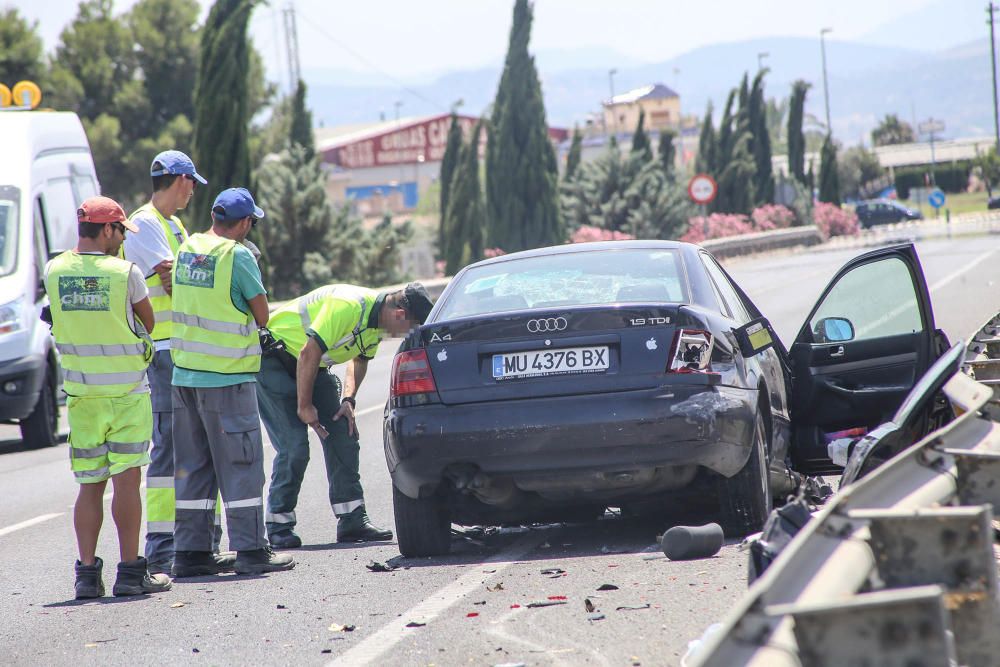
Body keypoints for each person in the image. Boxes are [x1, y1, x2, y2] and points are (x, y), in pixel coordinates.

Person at [44, 196, 172, 598]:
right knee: (127, 481)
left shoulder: (54, 270)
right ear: (106, 230)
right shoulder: (125, 273)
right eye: (121, 232)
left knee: (89, 485)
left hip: (81, 397)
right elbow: (148, 322)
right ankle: (132, 573)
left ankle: (85, 575)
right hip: (127, 394)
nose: (123, 240)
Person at [169, 187, 294, 576]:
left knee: (194, 466)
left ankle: (192, 554)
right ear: (242, 223)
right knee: (241, 464)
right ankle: (251, 550)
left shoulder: (188, 248)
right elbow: (262, 315)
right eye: (251, 222)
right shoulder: (237, 255)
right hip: (226, 378)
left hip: (184, 376)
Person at [258, 282, 434, 548]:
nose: (403, 336)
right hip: (274, 361)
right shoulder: (348, 305)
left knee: (344, 432)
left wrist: (348, 400)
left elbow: (360, 360)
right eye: (409, 329)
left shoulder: (377, 323)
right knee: (294, 446)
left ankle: (352, 519)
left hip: (312, 367)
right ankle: (279, 524)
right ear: (400, 315)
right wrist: (305, 406)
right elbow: (309, 351)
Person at [122, 149, 227, 576]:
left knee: (196, 447)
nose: (192, 191)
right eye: (191, 183)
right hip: (163, 350)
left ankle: (197, 544)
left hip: (181, 349)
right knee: (167, 449)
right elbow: (173, 276)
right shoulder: (146, 221)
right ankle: (163, 546)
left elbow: (184, 274)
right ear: (180, 179)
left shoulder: (175, 225)